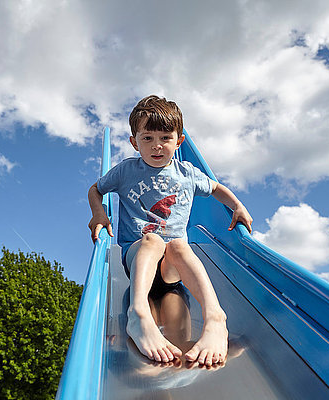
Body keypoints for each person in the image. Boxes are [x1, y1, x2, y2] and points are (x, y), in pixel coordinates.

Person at [88, 95, 253, 367]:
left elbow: (216, 188)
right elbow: (96, 189)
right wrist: (99, 213)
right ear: (134, 142)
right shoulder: (126, 170)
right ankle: (139, 312)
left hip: (172, 271)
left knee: (177, 244)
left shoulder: (187, 173)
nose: (157, 146)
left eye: (165, 137)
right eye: (147, 138)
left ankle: (215, 317)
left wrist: (237, 206)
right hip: (138, 257)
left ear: (179, 141)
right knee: (152, 240)